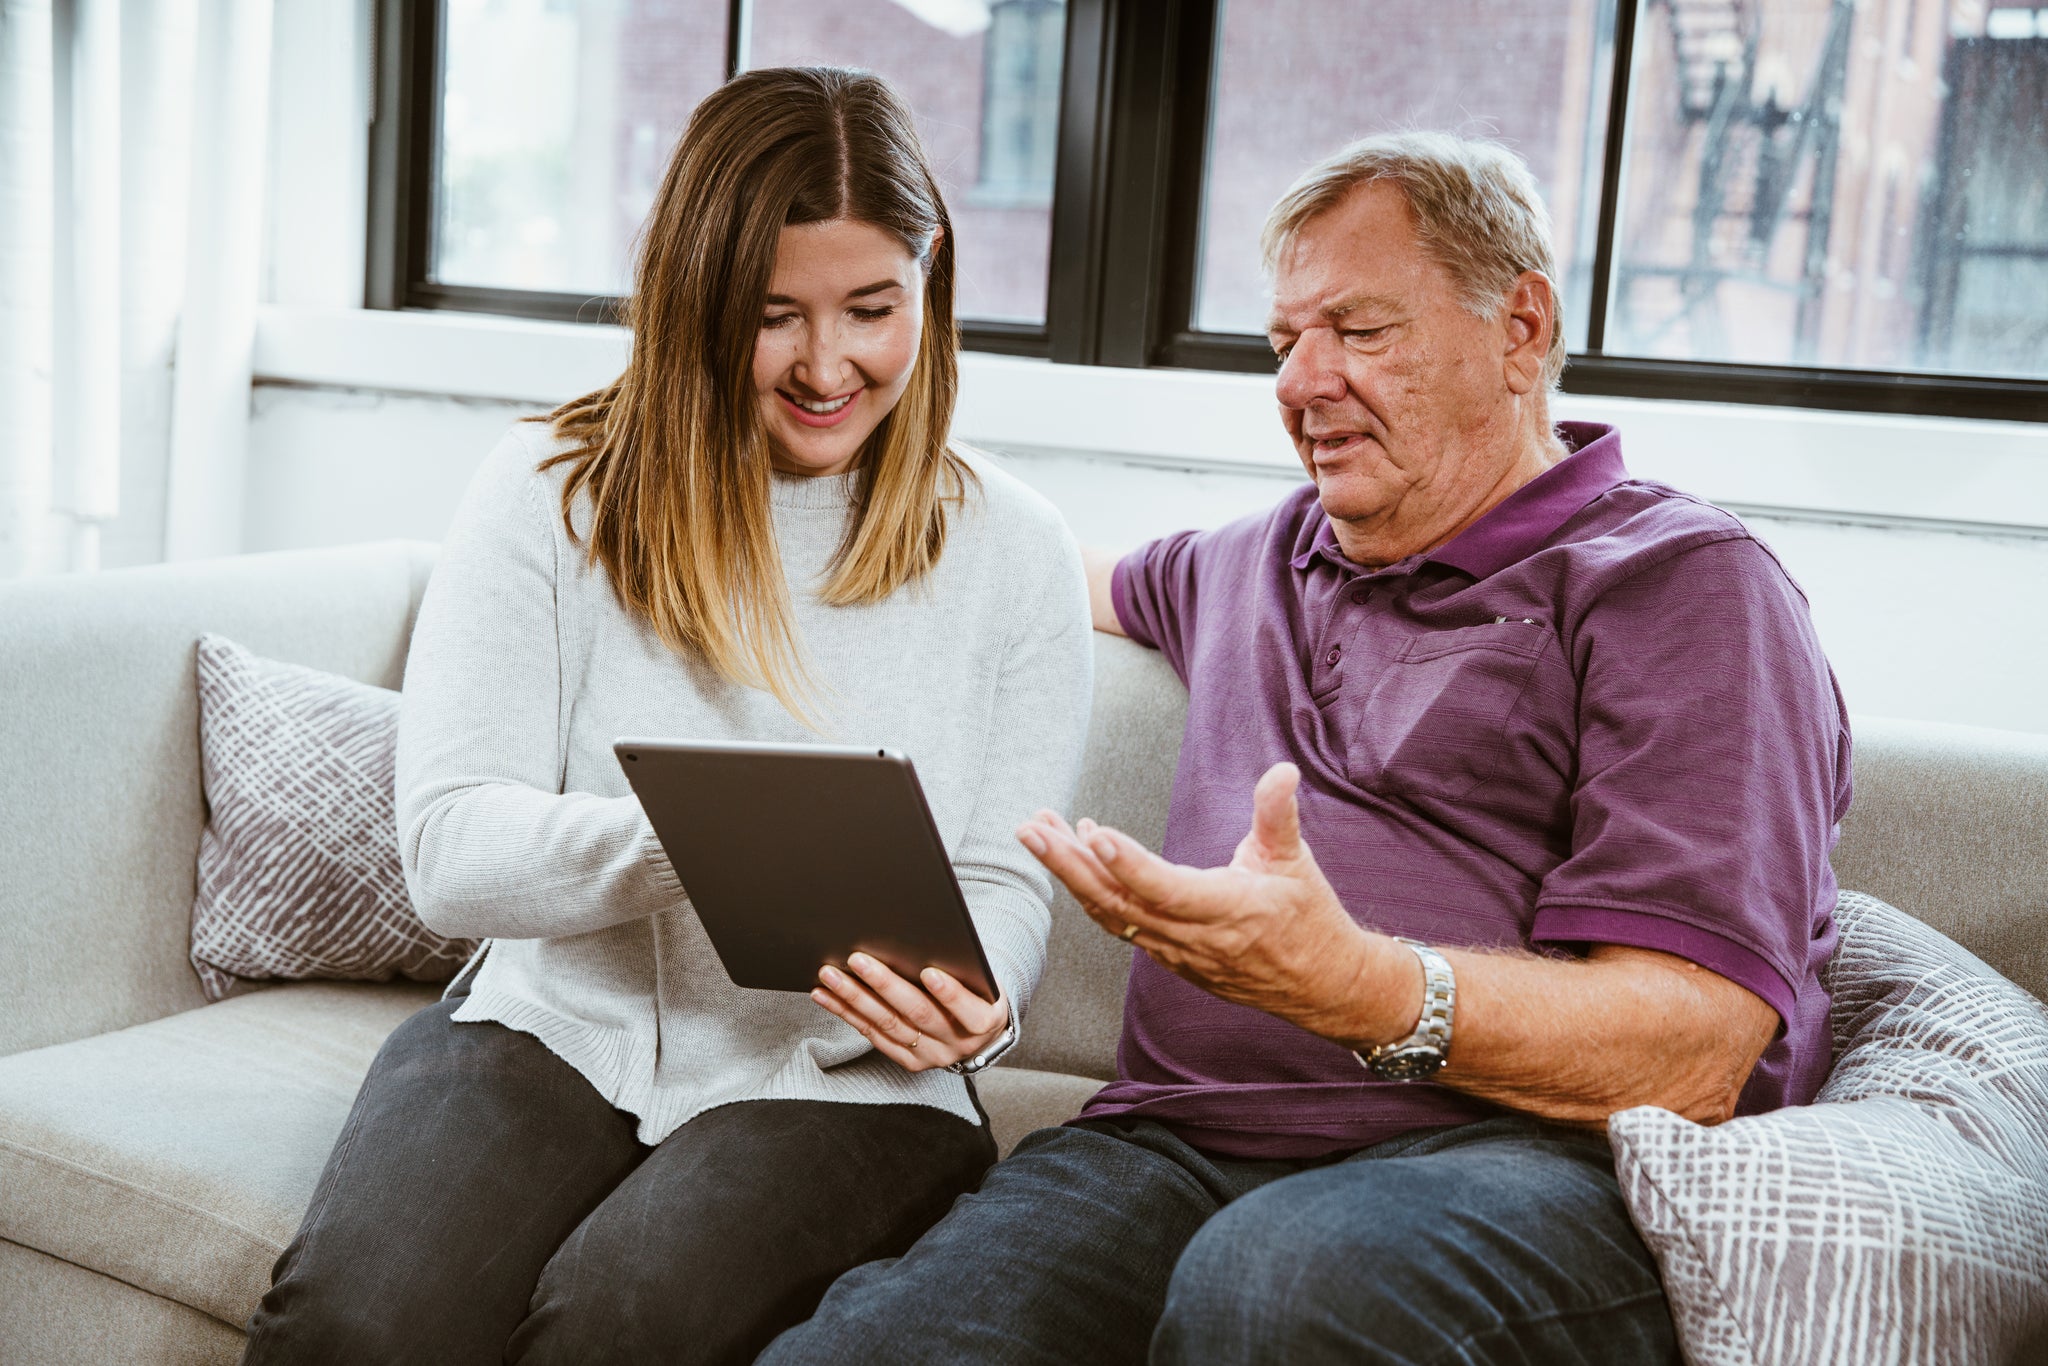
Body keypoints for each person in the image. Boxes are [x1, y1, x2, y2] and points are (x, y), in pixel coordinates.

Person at [760, 131, 1851, 1365]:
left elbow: (1696, 1046)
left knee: (1277, 1280)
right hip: (1165, 1144)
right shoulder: (1249, 561)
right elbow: (1027, 565)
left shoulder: (1678, 585)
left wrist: (1359, 985)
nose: (1298, 381)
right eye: (1284, 343)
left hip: (1523, 1158)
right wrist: (820, 416)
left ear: (1520, 326)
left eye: (1360, 330)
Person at [240, 67, 1091, 1366]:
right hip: (549, 1025)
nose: (829, 364)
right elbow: (450, 847)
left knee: (626, 1320)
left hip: (849, 1081)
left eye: (874, 308)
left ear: (932, 281)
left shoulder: (1015, 552)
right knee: (362, 1325)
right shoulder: (550, 491)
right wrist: (688, 838)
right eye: (773, 316)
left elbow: (1001, 886)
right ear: (695, 303)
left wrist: (986, 996)